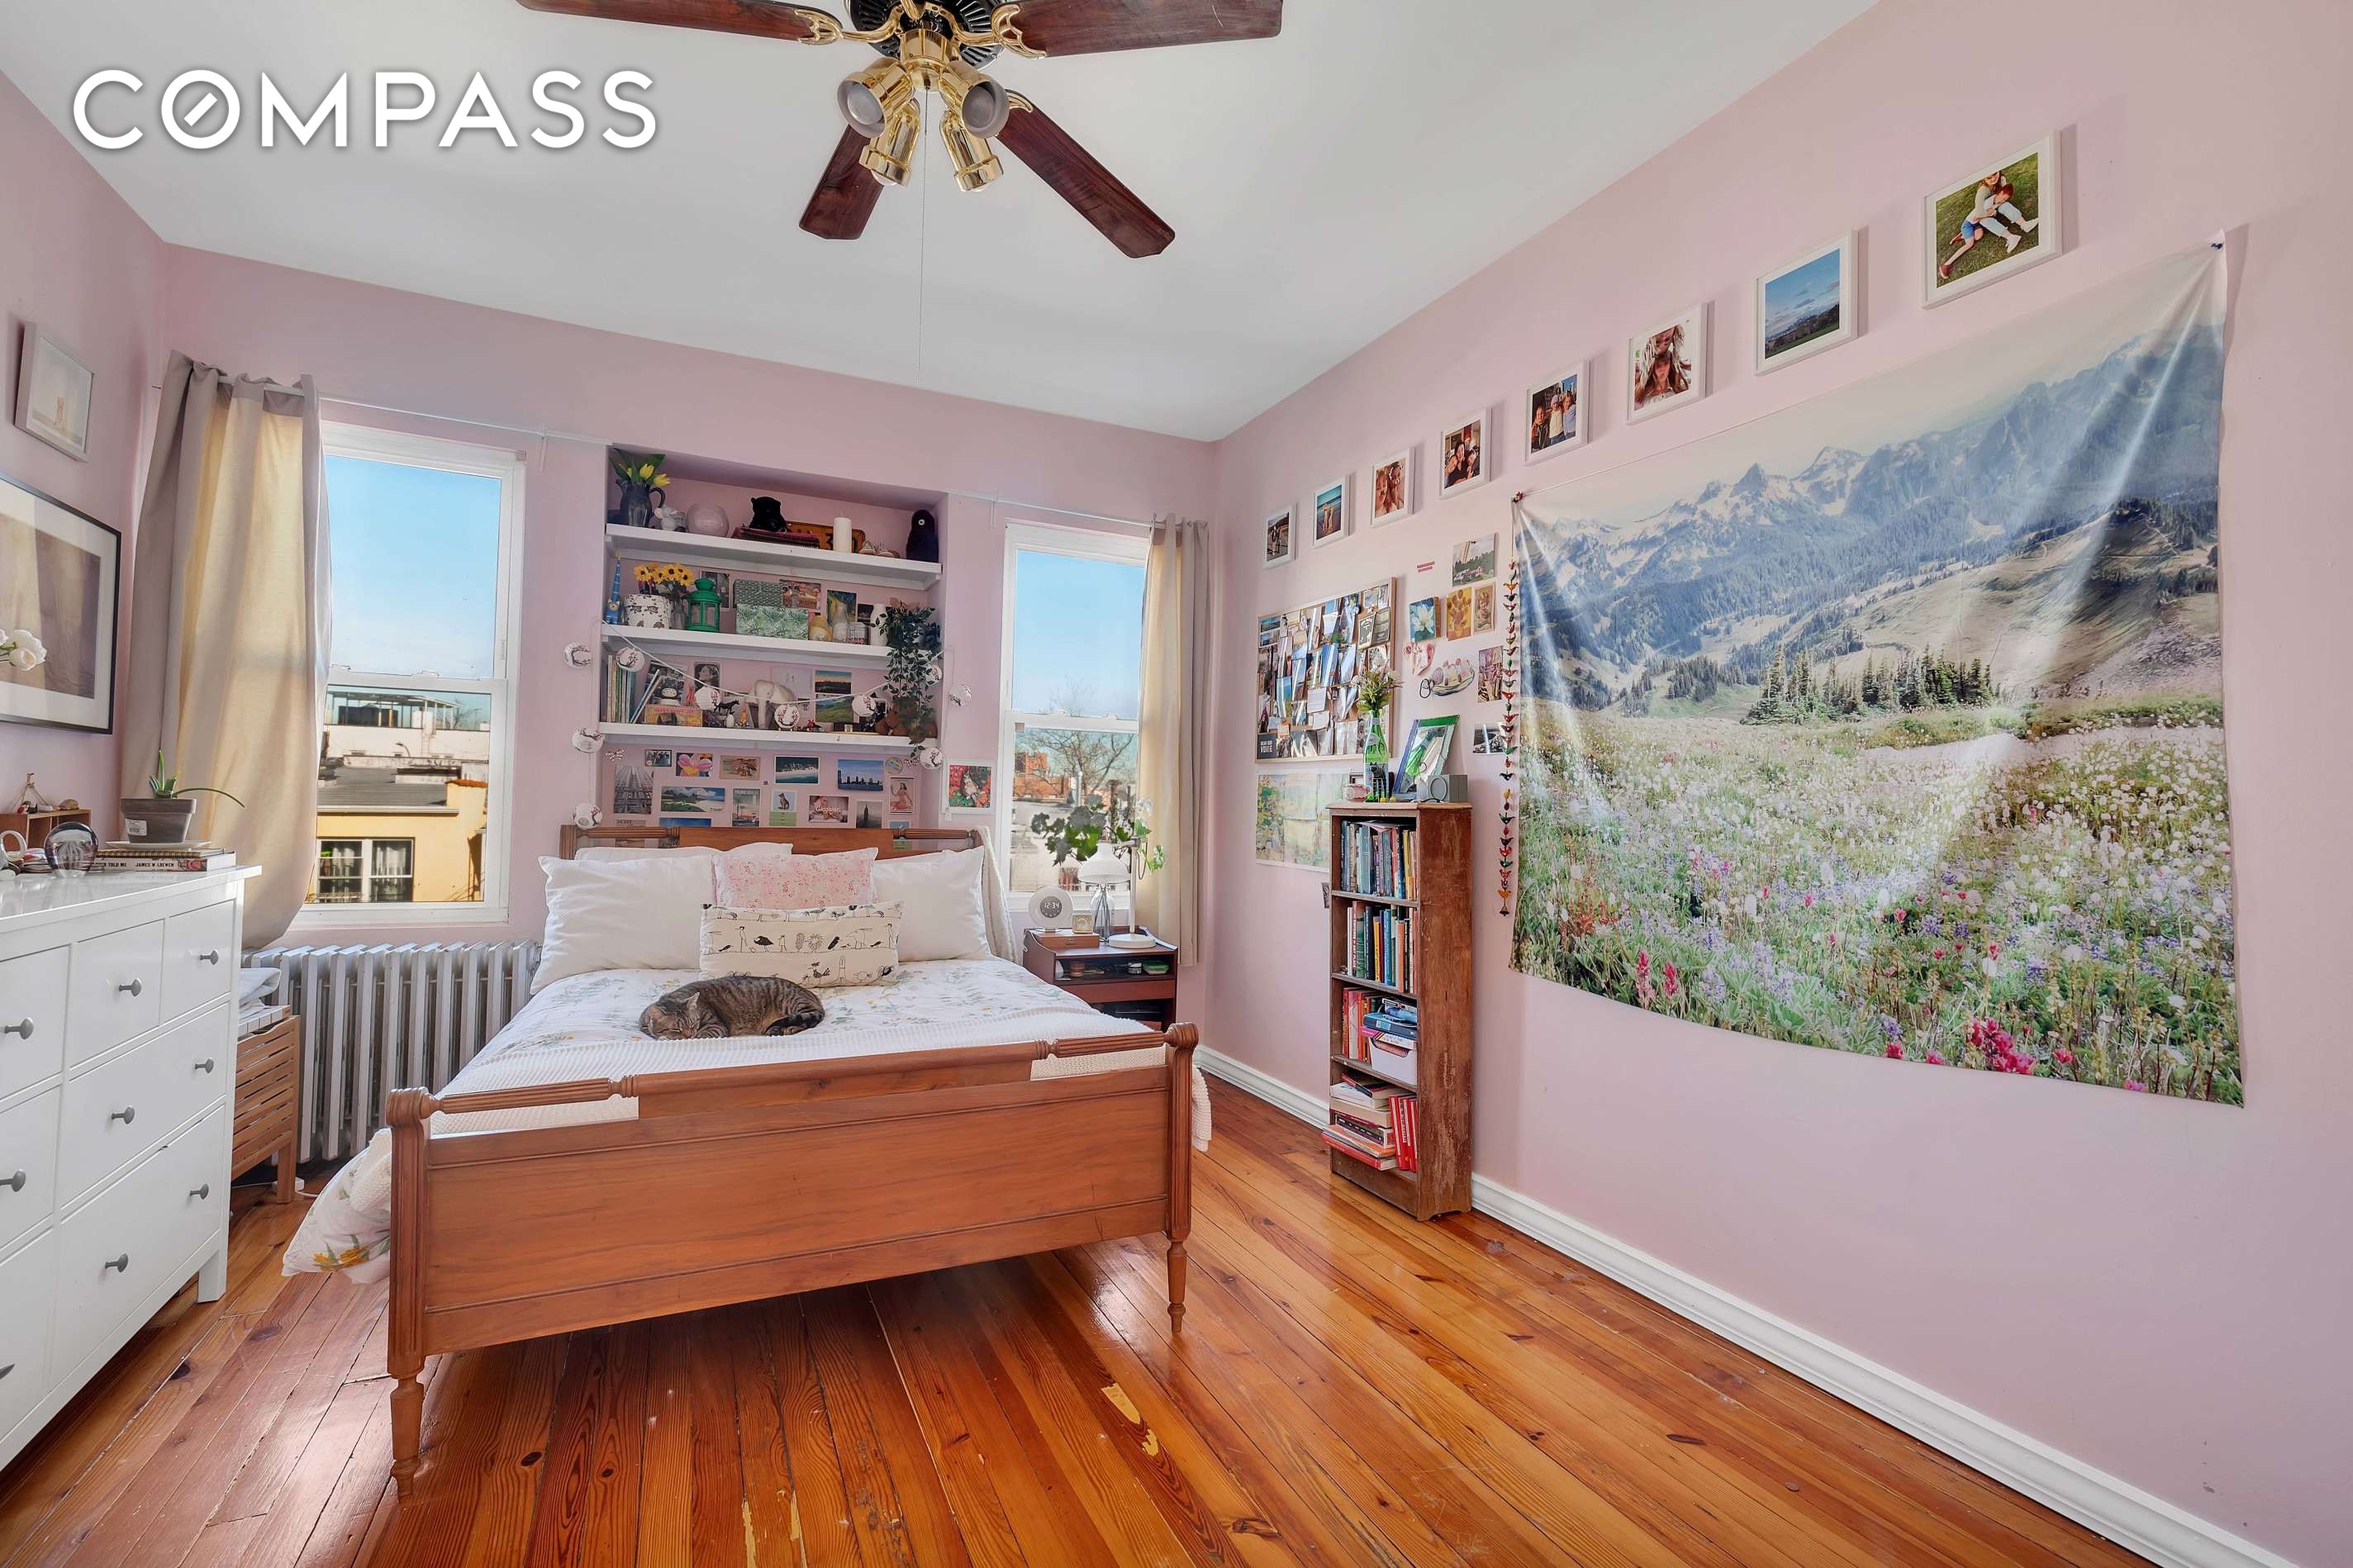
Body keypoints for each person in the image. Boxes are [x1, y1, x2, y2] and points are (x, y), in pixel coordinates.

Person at [1939, 171, 2039, 278]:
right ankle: (1946, 264)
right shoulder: (1987, 201)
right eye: (2004, 199)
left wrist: (1993, 212)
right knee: (1970, 244)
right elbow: (1975, 218)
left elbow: (1995, 207)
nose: (2004, 201)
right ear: (1999, 193)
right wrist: (1989, 213)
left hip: (1977, 225)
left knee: (1979, 235)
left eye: (2006, 199)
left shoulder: (1997, 196)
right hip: (1969, 224)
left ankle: (1962, 236)